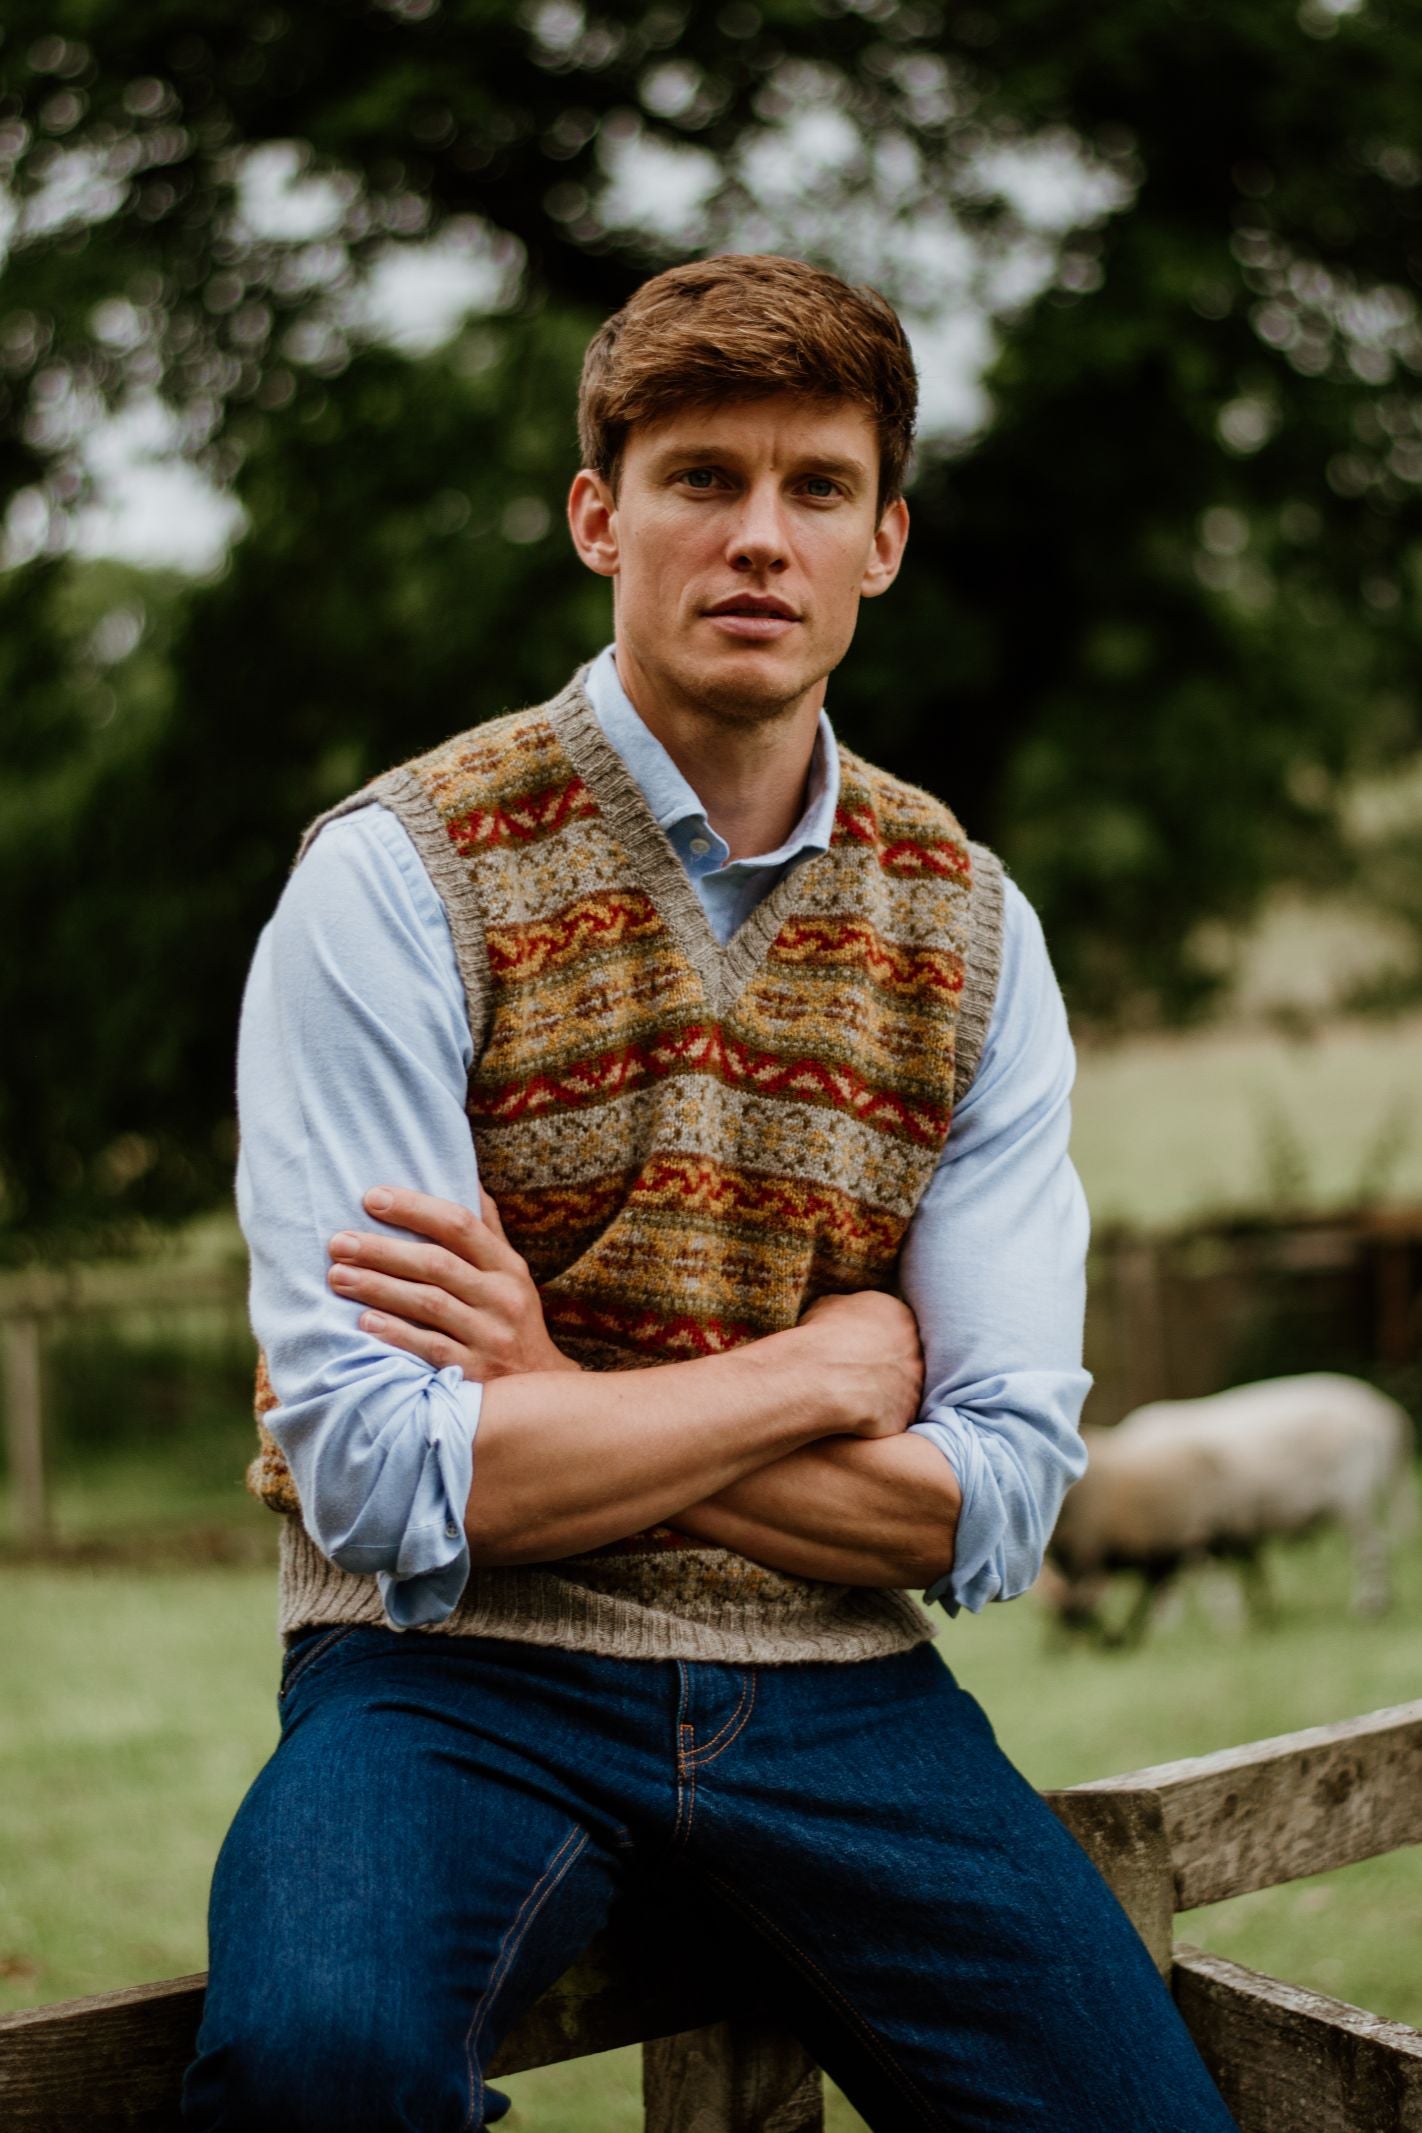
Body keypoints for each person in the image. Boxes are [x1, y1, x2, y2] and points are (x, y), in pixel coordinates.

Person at [183, 254, 1237, 2132]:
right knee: (310, 2069)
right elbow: (381, 1471)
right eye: (700, 478)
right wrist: (819, 1375)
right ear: (600, 517)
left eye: (815, 486)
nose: (759, 535)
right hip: (448, 1670)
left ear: (881, 542)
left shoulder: (969, 927)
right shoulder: (394, 879)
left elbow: (995, 1499)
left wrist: (550, 1398)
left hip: (840, 1687)